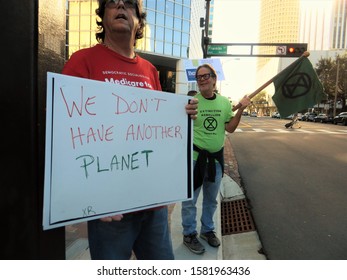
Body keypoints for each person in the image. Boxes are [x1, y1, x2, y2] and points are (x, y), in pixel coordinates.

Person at [62, 0, 198, 260]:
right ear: (103, 16)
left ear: (139, 21)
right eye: (112, 3)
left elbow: (156, 128)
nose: (120, 6)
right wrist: (88, 197)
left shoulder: (150, 70)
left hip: (153, 203)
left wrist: (182, 116)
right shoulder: (83, 61)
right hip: (110, 209)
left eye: (129, 5)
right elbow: (67, 135)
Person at [181, 63, 250, 254]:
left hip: (216, 161)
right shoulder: (191, 103)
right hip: (194, 159)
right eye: (199, 77)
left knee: (211, 199)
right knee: (189, 200)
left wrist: (241, 110)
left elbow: (230, 128)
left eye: (206, 76)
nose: (202, 80)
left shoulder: (224, 103)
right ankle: (189, 233)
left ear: (214, 79)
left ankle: (207, 230)